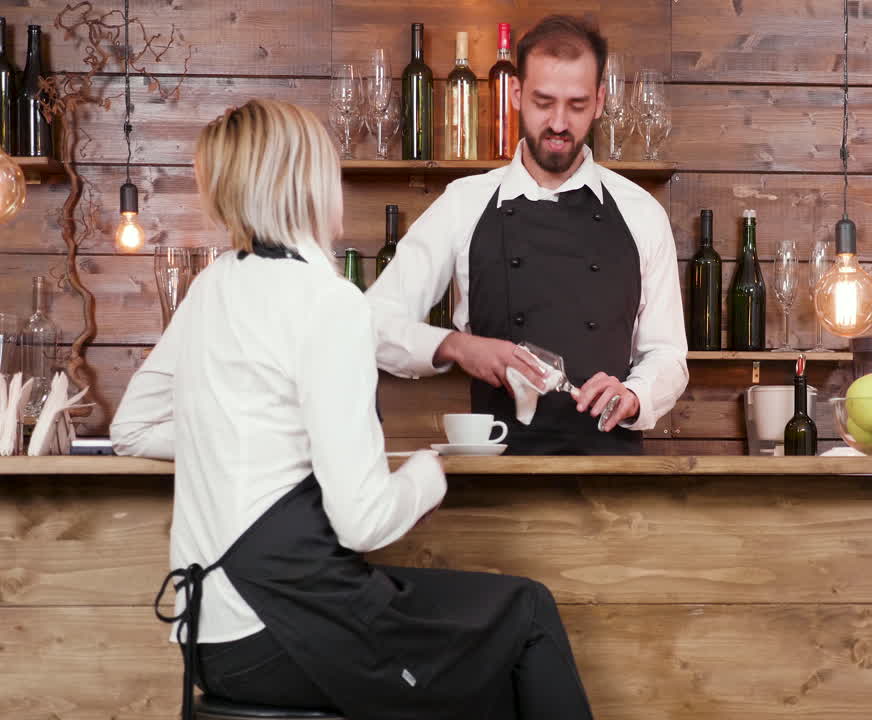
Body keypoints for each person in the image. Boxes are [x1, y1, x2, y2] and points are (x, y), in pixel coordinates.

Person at [111, 99, 594, 720]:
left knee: (490, 661)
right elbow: (363, 524)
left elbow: (133, 428)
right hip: (282, 630)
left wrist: (254, 440)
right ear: (308, 185)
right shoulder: (328, 303)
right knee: (526, 615)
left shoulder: (214, 284)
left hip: (209, 639)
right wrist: (427, 476)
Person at [368, 15, 688, 455]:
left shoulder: (642, 213)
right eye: (543, 102)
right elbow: (373, 324)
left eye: (576, 105)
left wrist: (635, 394)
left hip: (612, 476)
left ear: (599, 101)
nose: (558, 123)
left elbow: (668, 354)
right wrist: (456, 346)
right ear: (516, 94)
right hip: (500, 474)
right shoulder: (464, 203)